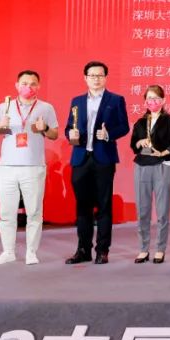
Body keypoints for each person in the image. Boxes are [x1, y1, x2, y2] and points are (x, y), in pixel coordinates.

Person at [0, 70, 59, 265]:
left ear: (39, 86)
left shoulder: (46, 108)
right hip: (7, 167)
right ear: (17, 85)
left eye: (33, 84)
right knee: (6, 213)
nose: (29, 87)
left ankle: (31, 252)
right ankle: (8, 252)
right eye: (25, 83)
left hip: (33, 167)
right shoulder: (4, 107)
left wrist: (45, 128)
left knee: (34, 212)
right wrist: (1, 126)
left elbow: (54, 134)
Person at [65, 61, 129, 265]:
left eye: (100, 75)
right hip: (81, 158)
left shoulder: (116, 100)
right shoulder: (77, 101)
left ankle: (102, 250)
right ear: (85, 78)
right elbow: (69, 127)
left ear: (105, 78)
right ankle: (83, 250)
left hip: (104, 158)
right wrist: (71, 134)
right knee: (82, 207)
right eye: (92, 75)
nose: (96, 79)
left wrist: (109, 134)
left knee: (104, 206)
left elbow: (124, 126)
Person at [129, 85, 170, 264]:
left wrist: (163, 152)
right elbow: (133, 144)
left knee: (162, 211)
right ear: (145, 101)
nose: (152, 101)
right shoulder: (140, 122)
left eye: (156, 98)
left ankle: (160, 249)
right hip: (142, 166)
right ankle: (143, 249)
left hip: (163, 165)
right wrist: (140, 143)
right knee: (142, 210)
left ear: (163, 100)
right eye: (149, 98)